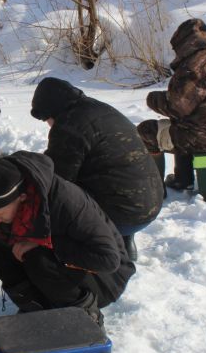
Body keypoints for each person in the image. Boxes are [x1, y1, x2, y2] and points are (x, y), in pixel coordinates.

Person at [0, 152, 135, 353]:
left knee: (37, 255)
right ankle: (37, 307)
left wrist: (45, 243)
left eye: (0, 213)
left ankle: (84, 314)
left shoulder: (64, 199)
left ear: (22, 197)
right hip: (56, 274)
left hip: (102, 280)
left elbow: (108, 259)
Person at [30, 77, 164, 261]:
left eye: (46, 118)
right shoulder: (99, 108)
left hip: (122, 216)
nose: (48, 124)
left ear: (51, 110)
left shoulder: (69, 125)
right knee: (108, 177)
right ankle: (123, 241)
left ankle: (92, 250)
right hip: (151, 204)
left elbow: (58, 180)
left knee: (58, 203)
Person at [137, 18, 206, 191]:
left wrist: (152, 98)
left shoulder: (195, 66)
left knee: (146, 131)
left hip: (204, 137)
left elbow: (177, 106)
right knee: (180, 126)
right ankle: (182, 180)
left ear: (185, 43)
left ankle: (154, 190)